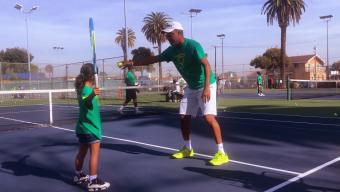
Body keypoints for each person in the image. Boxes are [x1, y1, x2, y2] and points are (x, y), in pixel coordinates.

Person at [130, 21, 229, 166]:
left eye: (170, 35)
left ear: (179, 33)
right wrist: (133, 63)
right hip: (191, 87)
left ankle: (222, 153)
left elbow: (206, 65)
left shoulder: (193, 46)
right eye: (166, 35)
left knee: (208, 118)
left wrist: (207, 87)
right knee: (183, 117)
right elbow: (154, 59)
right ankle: (188, 149)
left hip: (206, 84)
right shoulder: (171, 51)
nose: (168, 38)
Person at [73, 63, 110, 191]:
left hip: (82, 127)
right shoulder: (86, 90)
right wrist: (93, 94)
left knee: (82, 152)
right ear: (92, 75)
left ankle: (79, 175)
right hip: (91, 128)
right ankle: (93, 180)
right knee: (94, 154)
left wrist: (93, 92)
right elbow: (86, 101)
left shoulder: (82, 88)